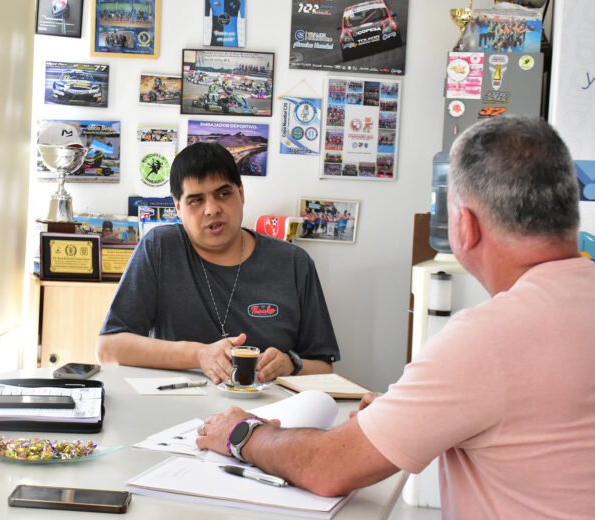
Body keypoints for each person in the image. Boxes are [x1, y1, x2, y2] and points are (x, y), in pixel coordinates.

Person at [195, 116, 595, 517]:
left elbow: (328, 466)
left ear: (464, 225)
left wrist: (241, 432)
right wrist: (408, 412)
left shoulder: (488, 340)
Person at [96, 142, 339, 384]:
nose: (212, 209)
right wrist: (199, 354)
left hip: (269, 413)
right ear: (178, 208)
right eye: (196, 200)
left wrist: (291, 364)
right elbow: (109, 348)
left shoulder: (294, 263)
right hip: (177, 408)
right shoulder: (160, 248)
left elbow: (324, 369)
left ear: (241, 194)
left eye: (223, 194)